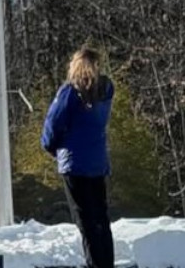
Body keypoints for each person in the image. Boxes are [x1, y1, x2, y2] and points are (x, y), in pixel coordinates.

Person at [41, 47, 115, 268]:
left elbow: (53, 124)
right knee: (101, 218)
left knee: (85, 221)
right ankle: (105, 262)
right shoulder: (106, 90)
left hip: (74, 163)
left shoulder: (70, 93)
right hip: (97, 162)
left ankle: (94, 264)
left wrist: (50, 146)